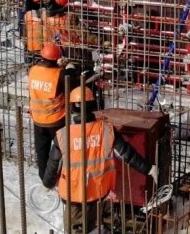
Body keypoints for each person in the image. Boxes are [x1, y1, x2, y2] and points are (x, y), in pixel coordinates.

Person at [42, 87, 159, 233]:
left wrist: (47, 182)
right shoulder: (106, 130)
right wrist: (148, 168)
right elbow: (127, 154)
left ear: (71, 107)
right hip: (98, 192)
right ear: (93, 105)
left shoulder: (63, 135)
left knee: (75, 229)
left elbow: (53, 164)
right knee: (92, 225)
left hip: (74, 195)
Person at [28, 42, 77, 180]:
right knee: (60, 151)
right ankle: (62, 178)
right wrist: (70, 67)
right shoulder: (59, 74)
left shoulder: (33, 70)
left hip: (38, 120)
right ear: (57, 59)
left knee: (41, 152)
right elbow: (72, 83)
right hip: (56, 120)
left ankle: (44, 178)